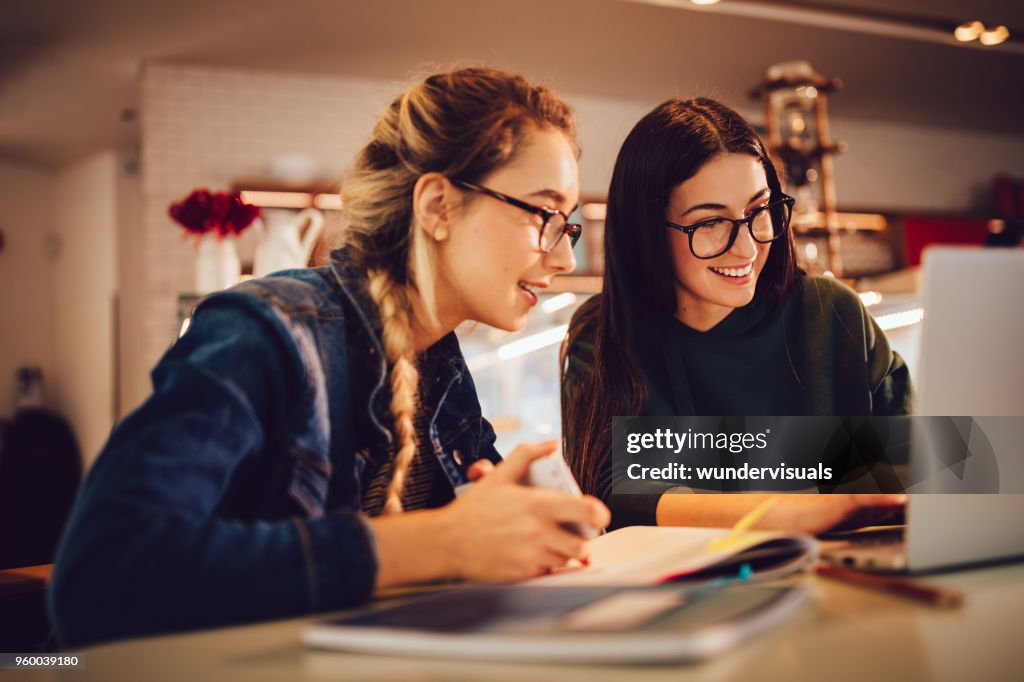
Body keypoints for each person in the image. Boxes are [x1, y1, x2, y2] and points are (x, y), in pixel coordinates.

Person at [50, 67, 609, 648]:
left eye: (567, 224)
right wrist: (443, 541)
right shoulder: (266, 331)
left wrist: (521, 530)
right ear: (439, 205)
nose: (564, 256)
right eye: (543, 215)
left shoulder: (438, 361)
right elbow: (100, 578)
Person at [562, 97, 910, 531]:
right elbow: (613, 493)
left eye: (757, 211)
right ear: (646, 231)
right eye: (710, 223)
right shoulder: (605, 334)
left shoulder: (830, 312)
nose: (747, 248)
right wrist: (797, 510)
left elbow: (917, 460)